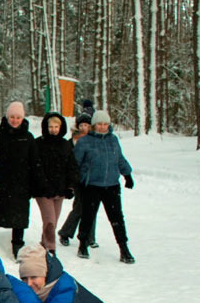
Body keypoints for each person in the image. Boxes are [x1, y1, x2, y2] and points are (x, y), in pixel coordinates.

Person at [73, 110, 136, 263]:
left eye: (105, 124)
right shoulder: (84, 142)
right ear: (94, 125)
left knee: (117, 218)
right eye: (99, 124)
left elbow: (119, 159)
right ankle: (83, 244)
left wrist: (127, 175)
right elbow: (75, 164)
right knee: (88, 216)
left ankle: (123, 248)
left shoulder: (113, 140)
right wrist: (76, 183)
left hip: (111, 186)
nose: (102, 127)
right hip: (91, 186)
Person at [0, 100, 45, 259]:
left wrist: (37, 183)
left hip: (22, 183)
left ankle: (17, 243)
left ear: (22, 119)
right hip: (1, 181)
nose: (15, 120)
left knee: (19, 215)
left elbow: (35, 162)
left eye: (18, 117)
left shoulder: (28, 138)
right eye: (12, 117)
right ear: (7, 117)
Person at [33, 112, 79, 254]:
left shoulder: (65, 145)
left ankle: (43, 244)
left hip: (60, 190)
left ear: (61, 128)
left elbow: (72, 167)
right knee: (50, 221)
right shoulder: (39, 143)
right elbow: (35, 166)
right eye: (50, 127)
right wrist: (42, 185)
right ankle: (51, 249)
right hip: (43, 191)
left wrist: (71, 186)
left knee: (53, 221)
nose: (53, 130)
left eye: (56, 127)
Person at [60, 110, 97, 247]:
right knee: (80, 208)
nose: (84, 128)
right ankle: (65, 232)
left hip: (93, 180)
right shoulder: (72, 142)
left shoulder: (95, 140)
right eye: (82, 126)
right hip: (77, 180)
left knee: (92, 208)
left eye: (87, 126)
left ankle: (89, 237)